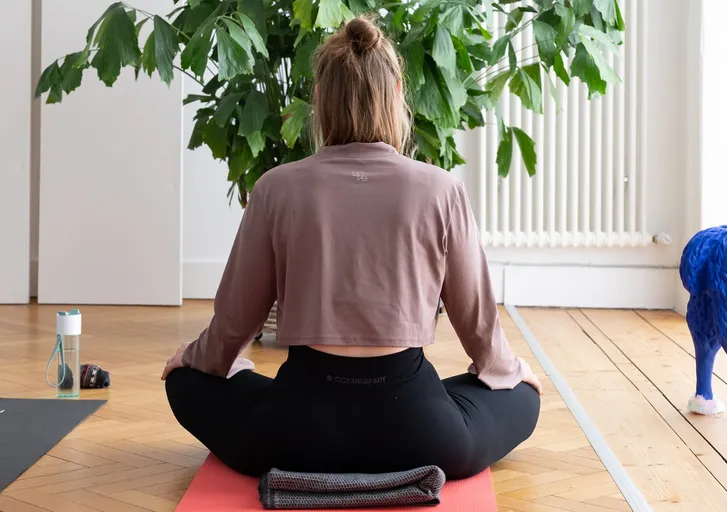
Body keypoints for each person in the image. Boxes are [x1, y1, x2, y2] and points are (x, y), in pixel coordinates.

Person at [161, 16, 542, 480]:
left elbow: (234, 323)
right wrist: (512, 371)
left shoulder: (276, 188)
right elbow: (478, 327)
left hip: (293, 434)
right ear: (399, 93)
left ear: (319, 100)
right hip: (421, 433)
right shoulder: (441, 189)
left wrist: (199, 360)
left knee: (184, 381)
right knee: (524, 395)